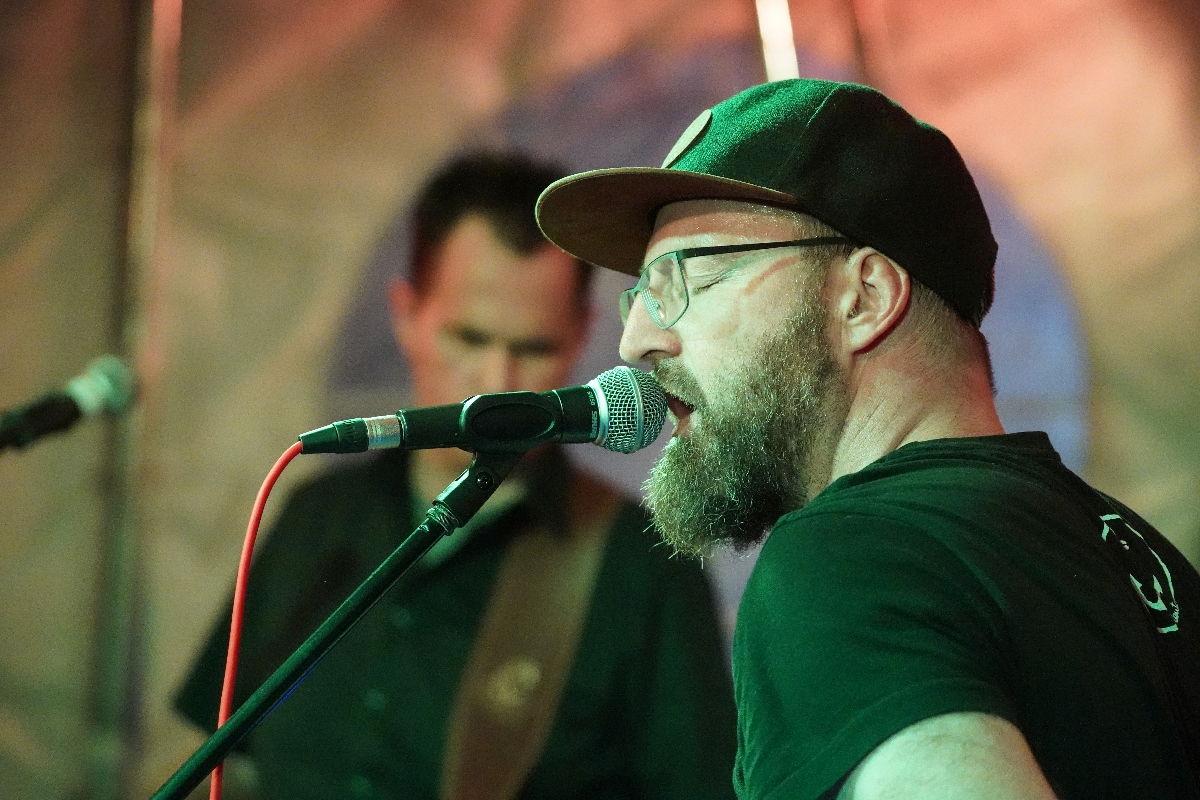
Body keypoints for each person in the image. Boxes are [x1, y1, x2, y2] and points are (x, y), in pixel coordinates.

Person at [534, 80, 1200, 800]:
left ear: (865, 298)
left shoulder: (847, 558)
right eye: (642, 292)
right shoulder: (1142, 558)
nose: (636, 339)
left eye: (690, 279)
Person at [175, 152, 738, 800]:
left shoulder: (641, 564)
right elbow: (227, 763)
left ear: (583, 334)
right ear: (405, 315)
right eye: (469, 339)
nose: (498, 383)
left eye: (534, 348)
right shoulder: (317, 517)